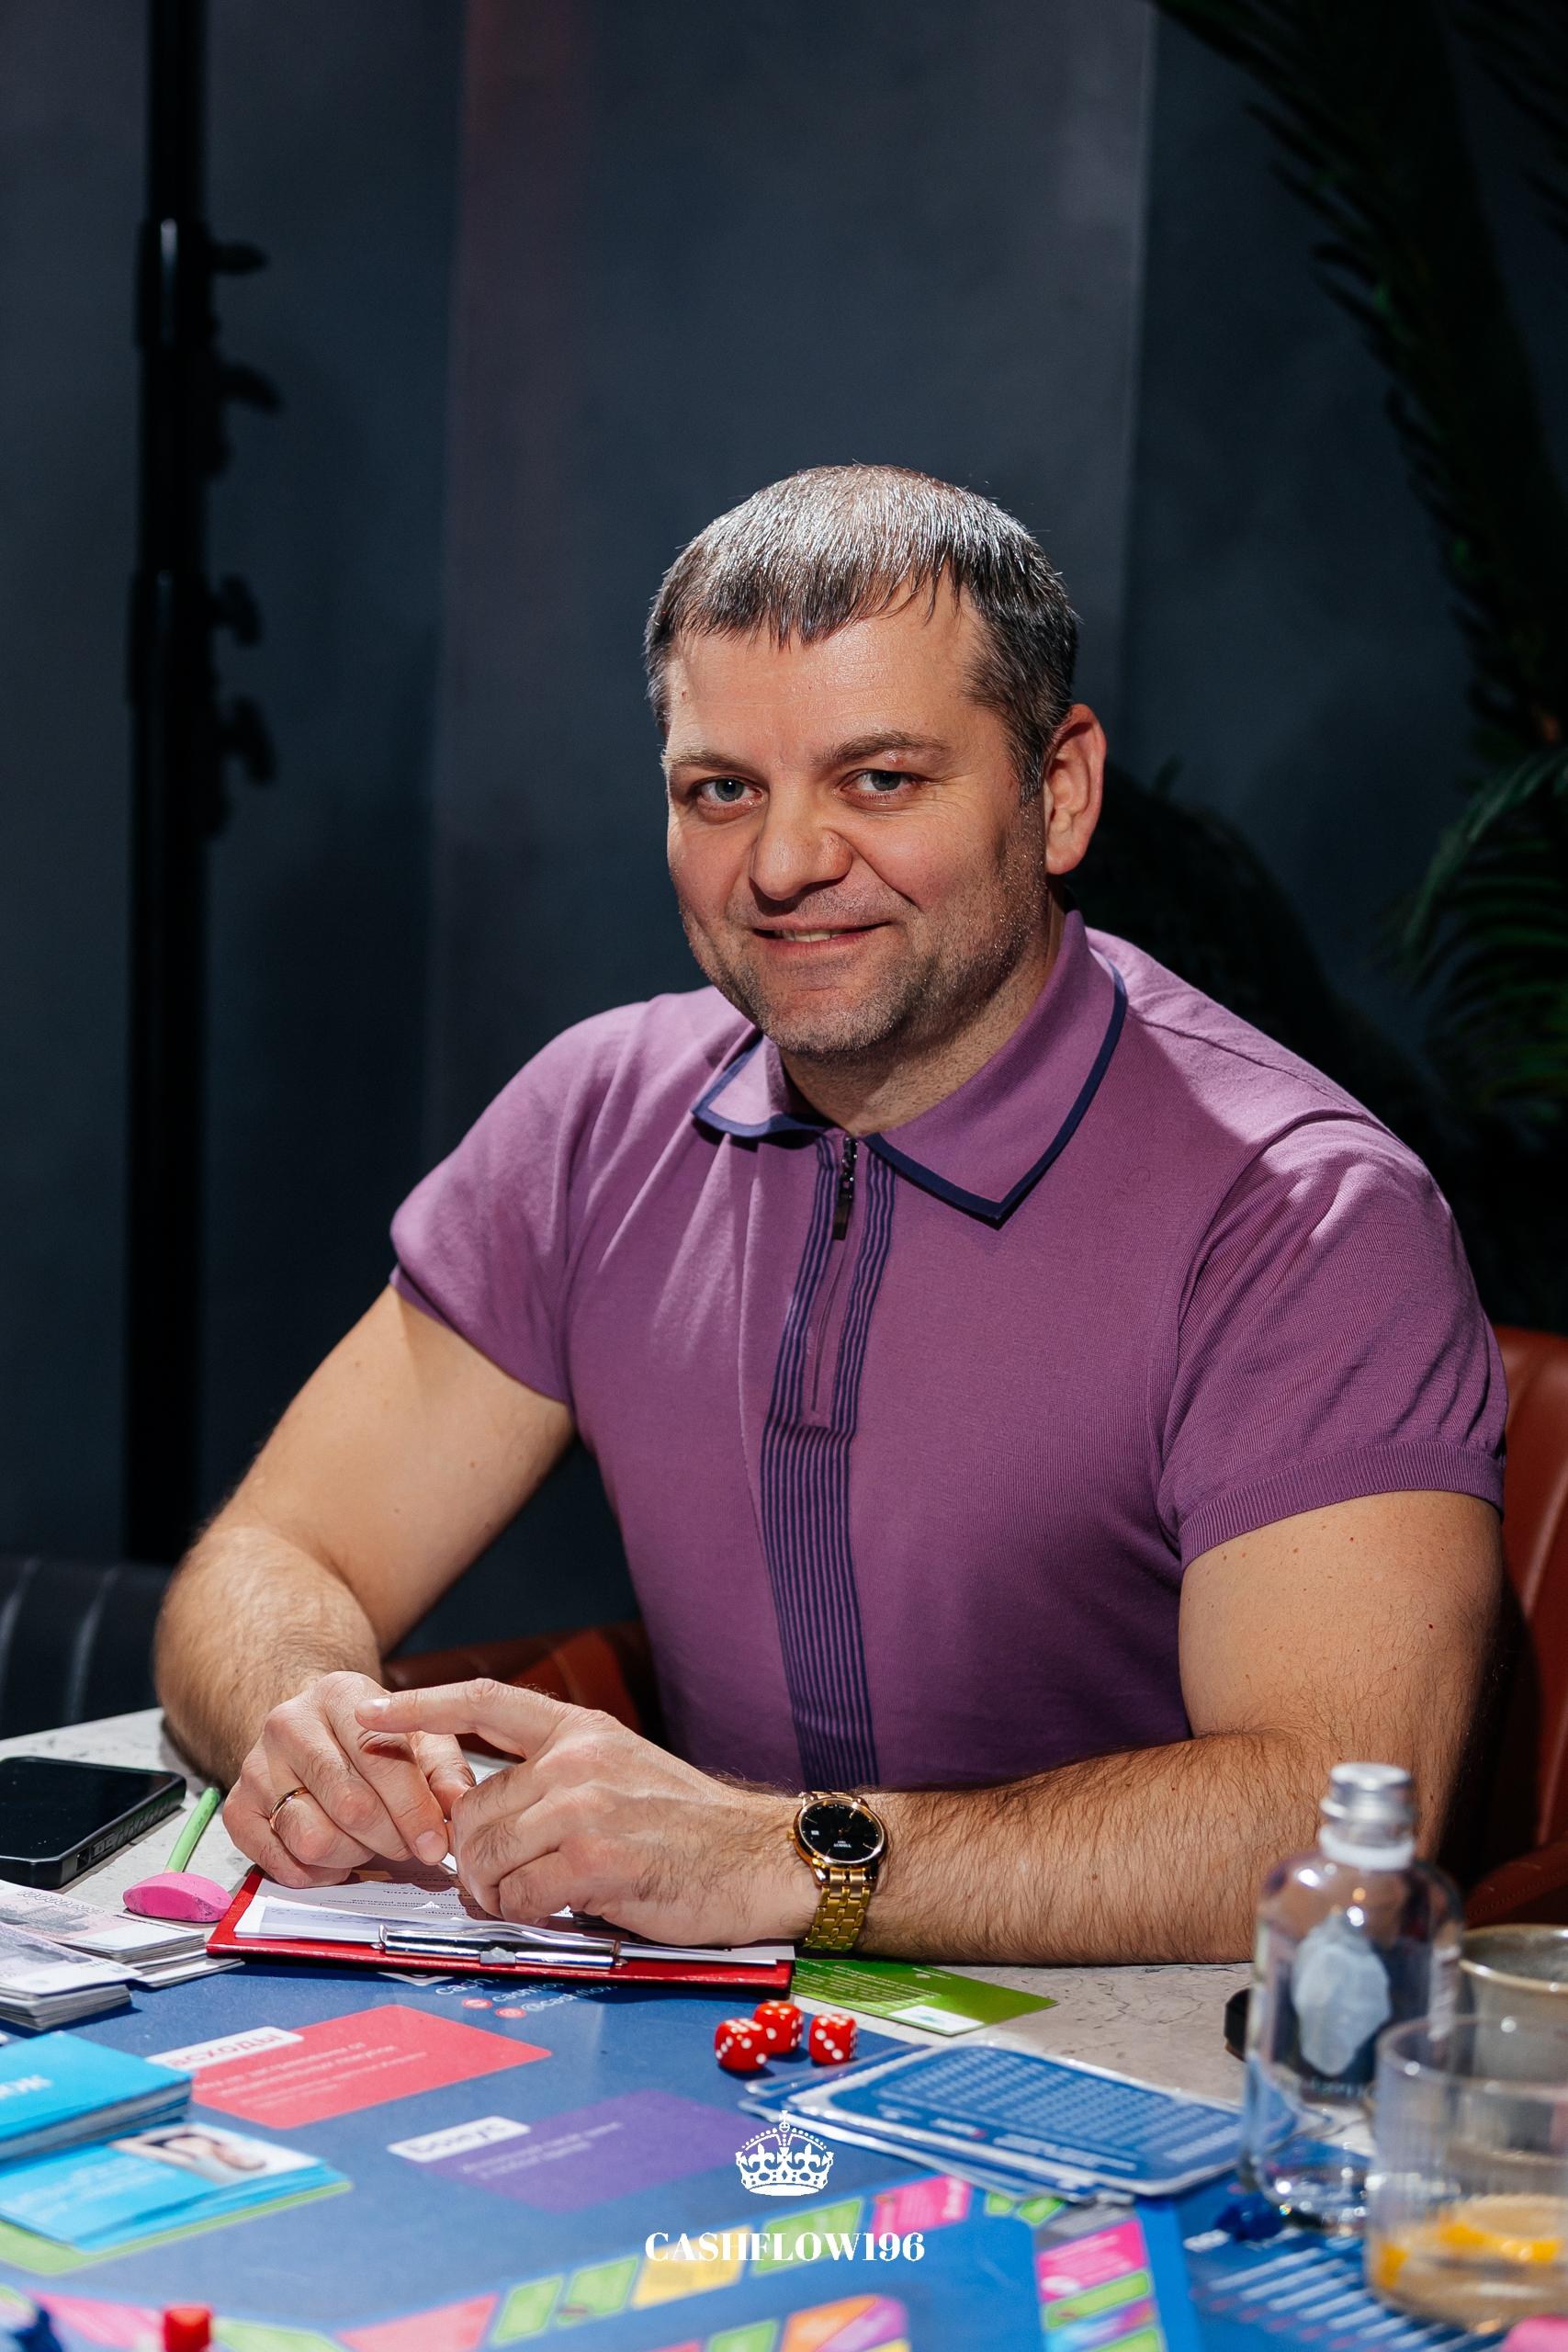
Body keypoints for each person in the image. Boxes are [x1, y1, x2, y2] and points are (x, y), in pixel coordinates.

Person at [155, 465, 1505, 1965]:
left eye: (881, 780)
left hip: (1142, 2057)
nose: (786, 864)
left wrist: (790, 1855)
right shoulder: (597, 1117)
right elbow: (270, 1554)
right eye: (722, 791)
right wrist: (311, 1718)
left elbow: (1330, 1830)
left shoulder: (1305, 1213)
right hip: (709, 2021)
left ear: (1059, 792)